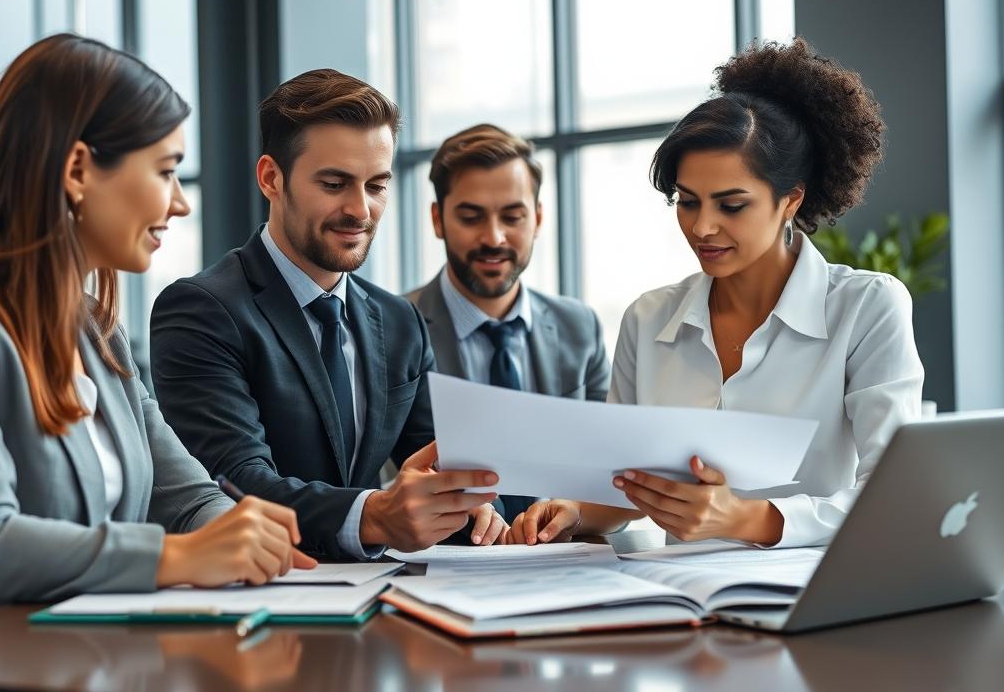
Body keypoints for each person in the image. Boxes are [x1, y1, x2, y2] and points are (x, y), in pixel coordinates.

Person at [0, 34, 313, 628]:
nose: (180, 204)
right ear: (78, 170)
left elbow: (186, 497)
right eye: (165, 171)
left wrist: (243, 536)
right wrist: (182, 555)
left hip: (70, 650)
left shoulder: (97, 332)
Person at [506, 38, 924, 548]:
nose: (702, 227)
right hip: (680, 602)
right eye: (687, 202)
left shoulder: (865, 308)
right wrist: (572, 509)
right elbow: (622, 487)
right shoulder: (649, 317)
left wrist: (745, 518)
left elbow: (897, 494)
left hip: (812, 598)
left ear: (790, 200)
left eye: (731, 205)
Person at [150, 69, 506, 561]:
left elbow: (440, 463)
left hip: (375, 603)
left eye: (376, 186)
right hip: (258, 600)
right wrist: (376, 514)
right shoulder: (201, 310)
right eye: (336, 183)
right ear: (272, 178)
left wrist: (474, 507)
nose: (360, 210)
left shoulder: (399, 322)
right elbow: (232, 481)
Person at [405, 124, 610, 523]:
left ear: (536, 218)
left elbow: (609, 470)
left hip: (565, 560)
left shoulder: (579, 327)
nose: (494, 237)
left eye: (512, 216)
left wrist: (577, 512)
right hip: (444, 560)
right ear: (437, 219)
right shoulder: (393, 329)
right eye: (470, 217)